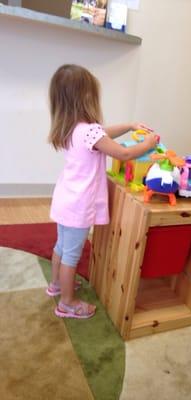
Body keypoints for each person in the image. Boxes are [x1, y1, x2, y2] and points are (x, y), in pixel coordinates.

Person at [47, 64, 157, 319]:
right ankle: (67, 302)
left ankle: (55, 285)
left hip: (65, 200)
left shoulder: (70, 129)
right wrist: (148, 143)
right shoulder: (90, 132)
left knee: (61, 247)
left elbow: (104, 133)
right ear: (87, 98)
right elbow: (125, 153)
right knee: (71, 255)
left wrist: (130, 125)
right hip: (79, 205)